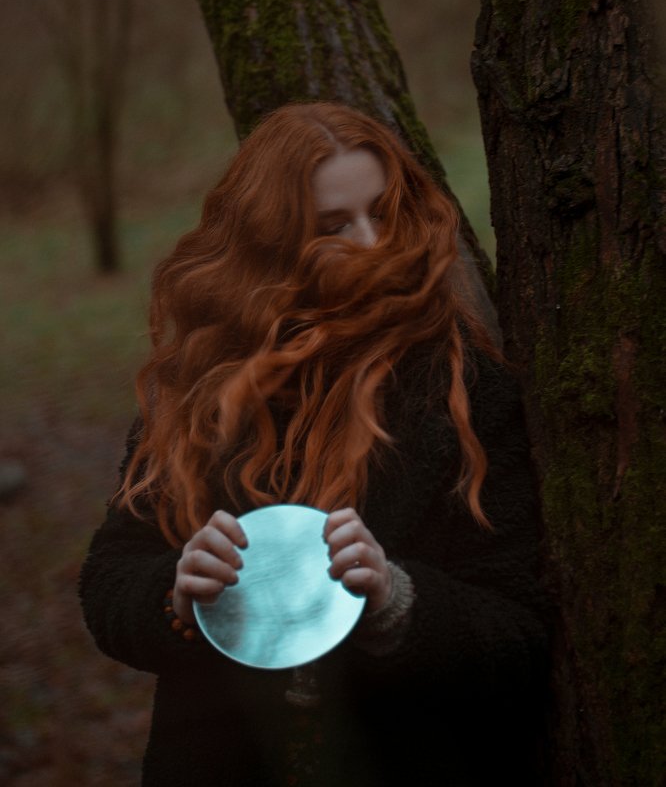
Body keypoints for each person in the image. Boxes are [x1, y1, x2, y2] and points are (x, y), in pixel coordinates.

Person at [79, 102, 548, 787]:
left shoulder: (465, 390)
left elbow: (521, 635)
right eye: (334, 226)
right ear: (271, 242)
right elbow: (108, 582)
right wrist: (176, 595)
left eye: (382, 213)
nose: (372, 244)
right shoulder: (202, 384)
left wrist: (398, 600)